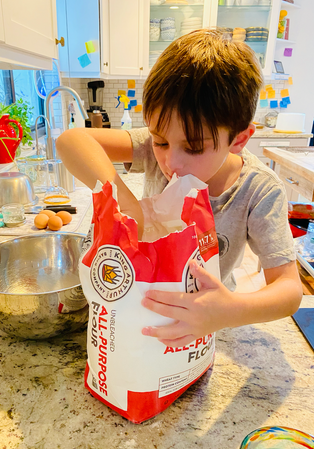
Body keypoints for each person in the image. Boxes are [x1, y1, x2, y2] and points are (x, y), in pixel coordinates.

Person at [56, 28, 302, 348]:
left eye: (195, 147)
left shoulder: (258, 190)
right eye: (160, 141)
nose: (171, 161)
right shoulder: (153, 150)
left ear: (238, 140)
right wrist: (125, 203)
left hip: (205, 322)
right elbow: (70, 140)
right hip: (143, 306)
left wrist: (227, 311)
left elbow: (289, 289)